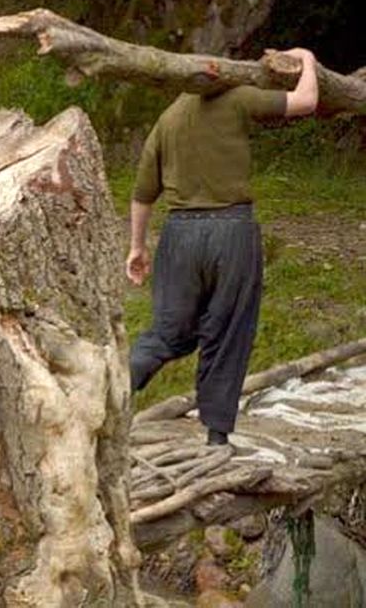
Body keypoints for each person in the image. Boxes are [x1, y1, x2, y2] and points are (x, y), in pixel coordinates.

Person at [126, 48, 320, 446]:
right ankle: (216, 439)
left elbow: (142, 194)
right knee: (228, 331)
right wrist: (309, 59)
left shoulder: (168, 119)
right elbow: (307, 101)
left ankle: (110, 397)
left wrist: (136, 247)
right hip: (231, 231)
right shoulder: (239, 98)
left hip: (180, 235)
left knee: (167, 333)